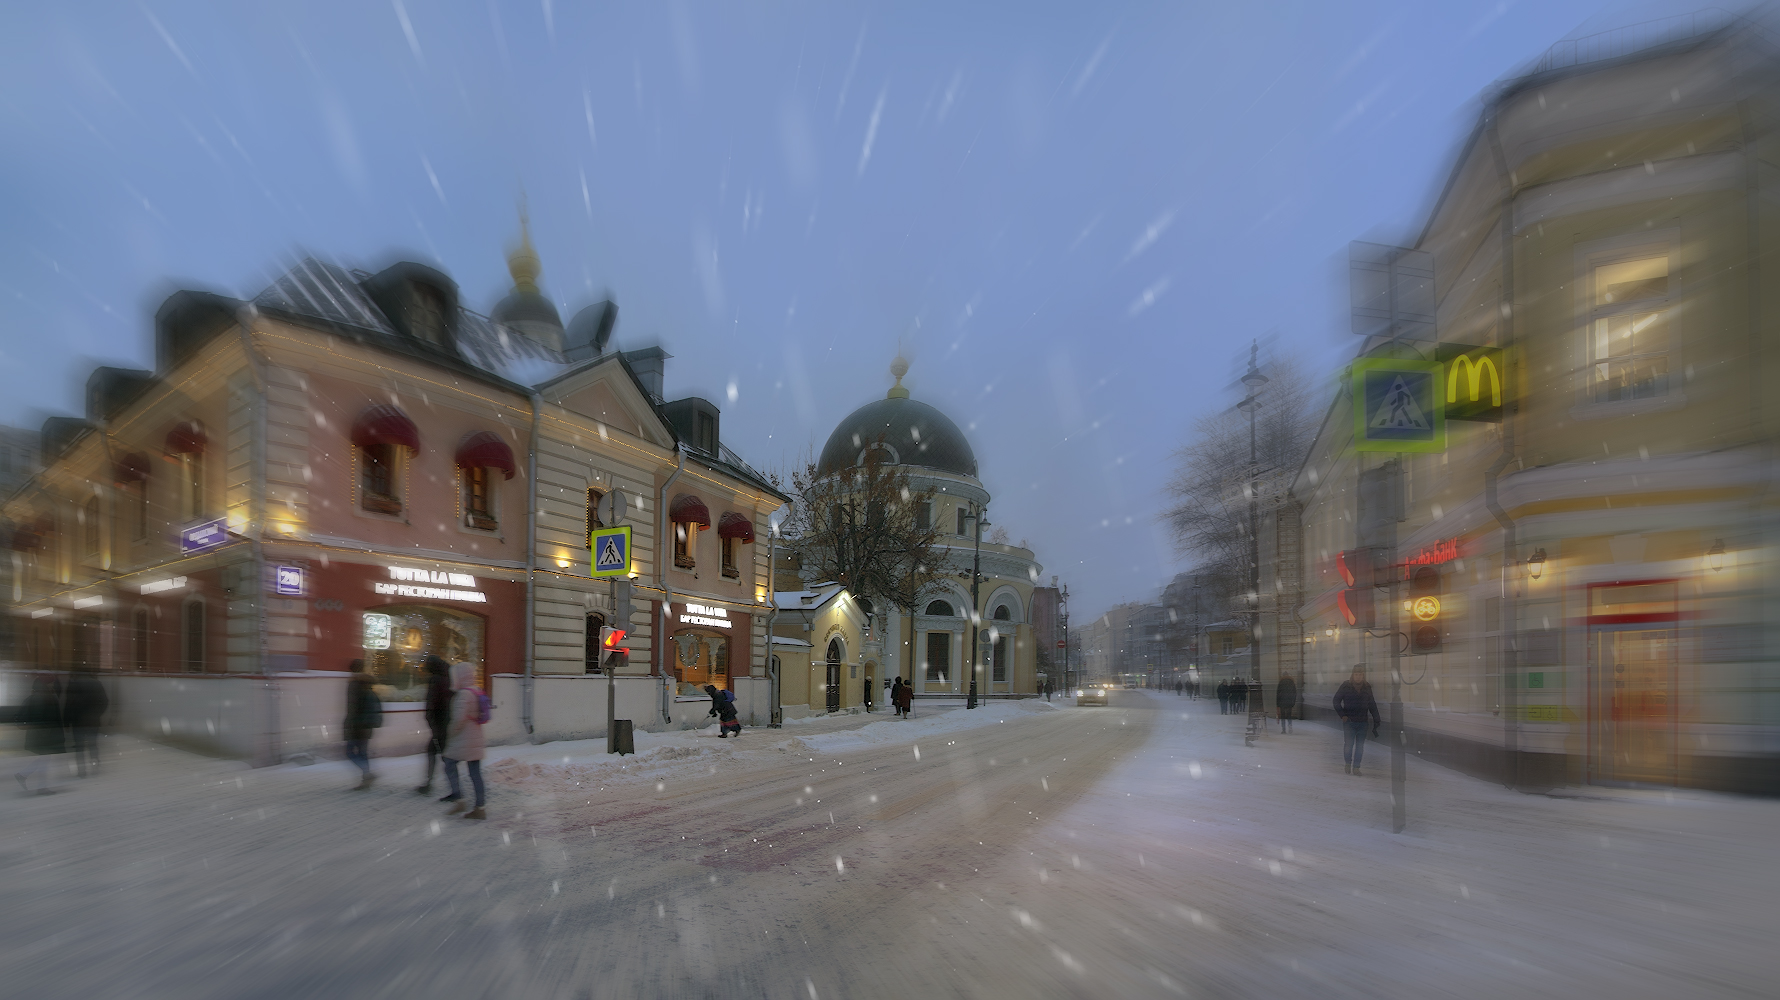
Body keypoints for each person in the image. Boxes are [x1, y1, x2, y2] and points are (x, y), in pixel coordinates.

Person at [442, 662, 488, 819]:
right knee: (475, 773)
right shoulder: (476, 691)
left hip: (462, 739)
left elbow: (458, 720)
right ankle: (480, 808)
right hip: (475, 738)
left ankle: (459, 799)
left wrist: (450, 732)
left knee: (449, 764)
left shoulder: (463, 694)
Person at [15, 675, 66, 794]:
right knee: (45, 759)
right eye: (51, 684)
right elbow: (48, 718)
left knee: (44, 759)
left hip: (40, 734)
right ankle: (38, 785)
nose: (53, 686)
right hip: (45, 734)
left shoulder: (34, 697)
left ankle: (26, 777)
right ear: (46, 685)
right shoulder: (46, 697)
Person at [1333, 666, 1381, 775]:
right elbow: (1336, 701)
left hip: (1363, 722)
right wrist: (1342, 715)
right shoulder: (1346, 686)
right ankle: (1348, 764)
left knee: (1360, 746)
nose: (1358, 677)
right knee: (1348, 745)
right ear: (1352, 675)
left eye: (1360, 675)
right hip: (1349, 722)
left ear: (1363, 676)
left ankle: (1356, 767)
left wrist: (1376, 718)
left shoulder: (1367, 687)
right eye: (1356, 675)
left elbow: (1372, 704)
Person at [64, 666, 109, 778]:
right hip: (93, 721)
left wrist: (67, 721)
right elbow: (104, 701)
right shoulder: (97, 683)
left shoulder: (73, 684)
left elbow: (69, 704)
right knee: (93, 745)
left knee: (79, 747)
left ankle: (81, 771)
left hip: (77, 721)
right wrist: (97, 714)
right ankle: (95, 768)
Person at [343, 663, 382, 791]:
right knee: (361, 753)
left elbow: (353, 709)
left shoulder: (355, 687)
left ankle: (367, 774)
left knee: (350, 753)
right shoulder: (369, 690)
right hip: (364, 727)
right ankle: (366, 778)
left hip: (357, 727)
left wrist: (351, 724)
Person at [417, 656, 452, 795]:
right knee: (438, 752)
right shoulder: (448, 678)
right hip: (446, 722)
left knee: (439, 754)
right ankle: (431, 783)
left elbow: (432, 703)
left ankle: (454, 788)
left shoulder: (435, 680)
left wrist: (430, 719)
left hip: (438, 724)